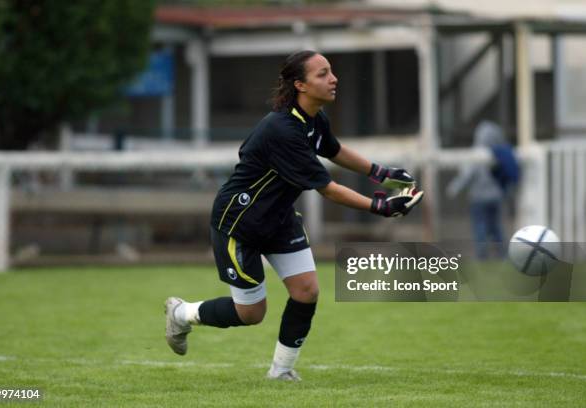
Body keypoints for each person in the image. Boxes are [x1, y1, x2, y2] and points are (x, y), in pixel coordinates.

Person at [164, 50, 424, 381]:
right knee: (251, 313)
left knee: (307, 290)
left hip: (279, 219)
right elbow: (327, 188)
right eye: (323, 74)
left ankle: (281, 371)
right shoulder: (283, 130)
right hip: (240, 224)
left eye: (331, 71)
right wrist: (381, 207)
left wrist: (381, 172)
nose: (334, 79)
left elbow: (334, 149)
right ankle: (182, 313)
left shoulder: (315, 119)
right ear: (300, 84)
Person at [446, 120, 519, 259]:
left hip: (478, 200)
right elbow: (505, 176)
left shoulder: (476, 154)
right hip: (496, 198)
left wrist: (454, 188)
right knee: (496, 228)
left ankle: (482, 257)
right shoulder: (499, 154)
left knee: (480, 229)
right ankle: (502, 255)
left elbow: (466, 175)